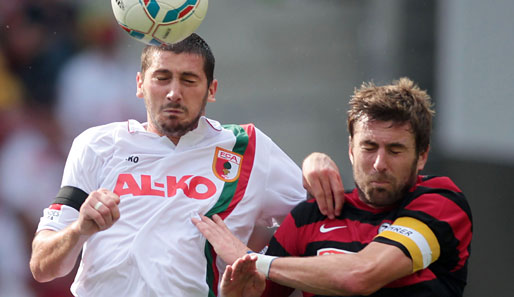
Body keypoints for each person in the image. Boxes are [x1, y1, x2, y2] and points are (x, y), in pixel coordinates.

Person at [29, 33, 307, 297]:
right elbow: (42, 266)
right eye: (162, 78)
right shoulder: (97, 144)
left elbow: (317, 223)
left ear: (211, 90)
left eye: (188, 80)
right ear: (139, 84)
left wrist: (257, 264)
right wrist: (79, 230)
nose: (174, 93)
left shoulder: (247, 147)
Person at [193, 78, 473, 297]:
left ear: (422, 156)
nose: (379, 163)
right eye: (369, 147)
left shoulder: (441, 203)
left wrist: (250, 258)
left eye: (395, 150)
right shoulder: (309, 217)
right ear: (351, 149)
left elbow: (362, 275)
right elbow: (257, 291)